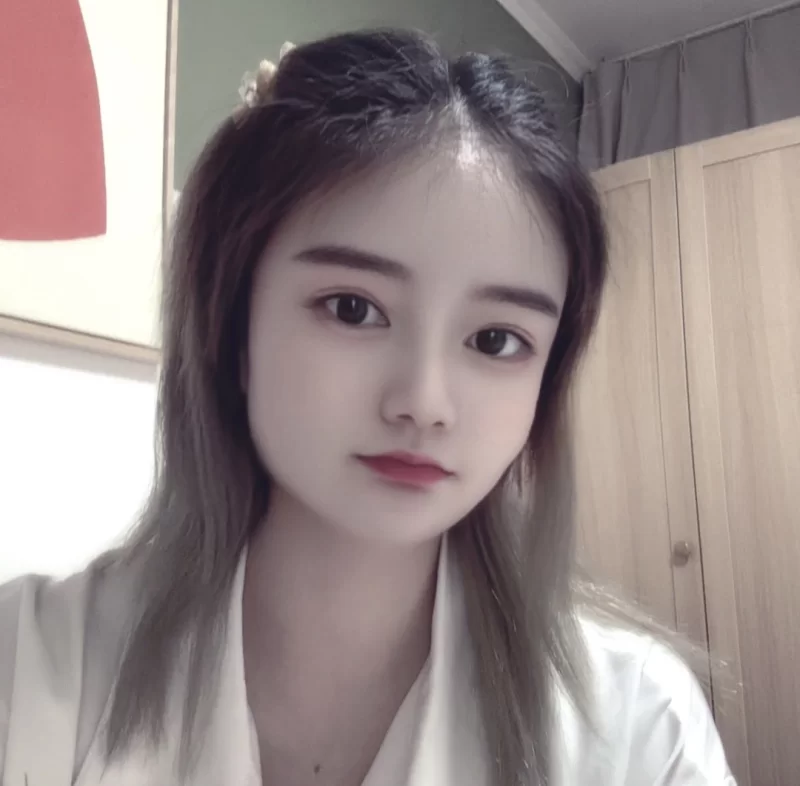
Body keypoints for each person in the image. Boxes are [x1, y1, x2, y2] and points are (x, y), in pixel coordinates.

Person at [0, 28, 735, 786]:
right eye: (352, 308)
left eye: (496, 339)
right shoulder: (27, 666)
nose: (424, 402)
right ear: (232, 325)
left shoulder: (640, 726)